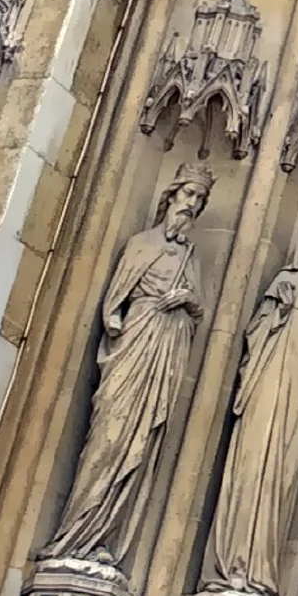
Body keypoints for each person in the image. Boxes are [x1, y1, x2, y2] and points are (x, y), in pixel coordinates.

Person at [43, 170, 211, 572]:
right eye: (188, 193)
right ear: (172, 196)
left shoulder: (191, 260)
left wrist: (187, 300)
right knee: (109, 433)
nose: (192, 204)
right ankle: (75, 531)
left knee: (141, 440)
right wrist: (117, 319)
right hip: (133, 344)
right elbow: (115, 301)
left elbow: (200, 310)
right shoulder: (142, 245)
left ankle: (105, 536)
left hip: (165, 349)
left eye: (199, 200)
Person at [200, 204, 298, 596]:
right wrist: (281, 311)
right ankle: (232, 560)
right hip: (272, 385)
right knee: (254, 463)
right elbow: (257, 333)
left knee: (283, 476)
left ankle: (261, 567)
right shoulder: (286, 281)